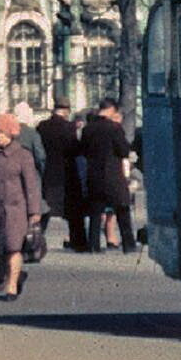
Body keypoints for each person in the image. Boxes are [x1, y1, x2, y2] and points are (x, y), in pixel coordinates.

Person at [0, 113, 42, 301]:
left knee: (13, 248)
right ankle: (13, 275)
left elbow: (31, 185)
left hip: (16, 210)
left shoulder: (23, 155)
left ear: (9, 133)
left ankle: (11, 286)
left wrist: (34, 211)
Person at [80, 98, 136, 253]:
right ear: (111, 110)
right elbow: (123, 150)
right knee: (122, 210)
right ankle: (128, 244)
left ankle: (93, 245)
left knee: (95, 213)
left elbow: (83, 150)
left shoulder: (88, 129)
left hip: (94, 175)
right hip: (113, 175)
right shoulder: (114, 128)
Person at [36, 96, 87, 252]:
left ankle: (35, 241)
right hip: (67, 172)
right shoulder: (69, 127)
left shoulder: (42, 126)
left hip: (48, 173)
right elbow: (75, 149)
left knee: (44, 210)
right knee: (74, 211)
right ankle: (78, 242)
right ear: (66, 111)